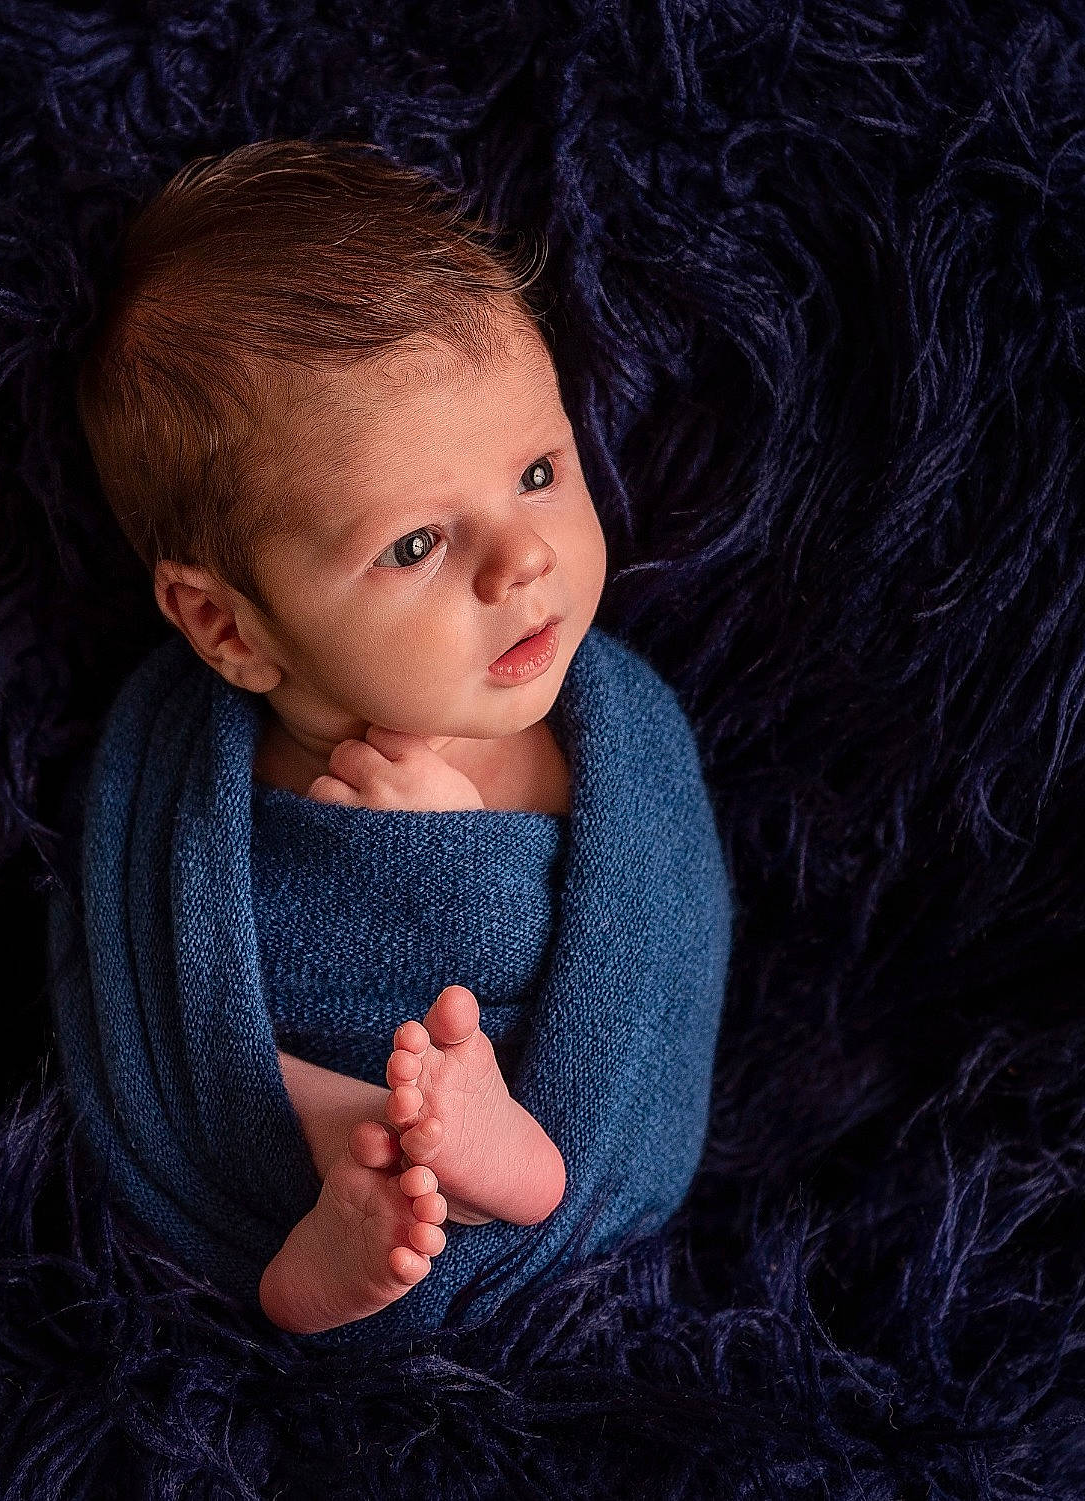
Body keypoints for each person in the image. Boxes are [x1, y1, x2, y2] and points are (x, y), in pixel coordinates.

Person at [73, 138, 696, 1336]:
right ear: (226, 625)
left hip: (538, 1111)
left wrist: (456, 877)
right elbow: (159, 988)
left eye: (534, 469)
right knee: (300, 1092)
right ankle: (347, 1204)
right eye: (416, 545)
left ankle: (513, 1166)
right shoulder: (176, 765)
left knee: (477, 1108)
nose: (523, 559)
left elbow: (645, 963)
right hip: (293, 1129)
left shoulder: (604, 740)